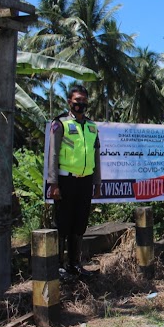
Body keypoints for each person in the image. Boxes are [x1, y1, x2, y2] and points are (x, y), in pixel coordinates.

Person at [47, 85, 101, 278]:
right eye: (77, 101)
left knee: (80, 223)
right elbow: (52, 154)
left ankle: (75, 264)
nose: (81, 104)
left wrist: (97, 183)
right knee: (63, 223)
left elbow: (96, 157)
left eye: (84, 101)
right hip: (65, 181)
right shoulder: (60, 123)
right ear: (69, 102)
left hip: (85, 182)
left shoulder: (92, 127)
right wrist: (53, 183)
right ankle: (60, 266)